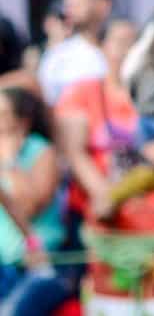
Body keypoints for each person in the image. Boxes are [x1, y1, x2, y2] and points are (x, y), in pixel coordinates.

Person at [55, 19, 139, 222]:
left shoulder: (152, 97)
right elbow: (75, 154)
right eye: (120, 42)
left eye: (135, 43)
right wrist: (107, 195)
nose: (128, 50)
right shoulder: (81, 92)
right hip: (92, 209)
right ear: (102, 47)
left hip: (140, 208)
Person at [0, 86, 70, 316]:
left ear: (22, 122)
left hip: (40, 265)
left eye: (3, 114)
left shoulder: (41, 151)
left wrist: (11, 162)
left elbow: (29, 207)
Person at [38, 0, 111, 105]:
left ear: (102, 4)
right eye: (67, 2)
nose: (70, 8)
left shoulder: (120, 46)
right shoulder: (58, 56)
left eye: (78, 1)